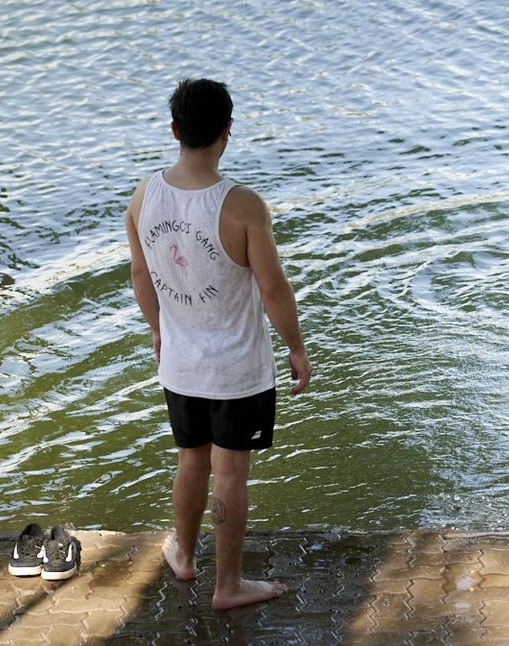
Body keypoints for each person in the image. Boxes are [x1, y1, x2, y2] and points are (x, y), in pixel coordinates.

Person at [125, 78, 312, 609]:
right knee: (229, 472)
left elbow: (141, 273)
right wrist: (296, 348)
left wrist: (158, 329)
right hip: (237, 371)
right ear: (227, 133)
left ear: (175, 130)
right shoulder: (243, 206)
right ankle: (226, 586)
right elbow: (273, 289)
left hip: (180, 365)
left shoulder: (145, 194)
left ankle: (182, 556)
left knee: (191, 460)